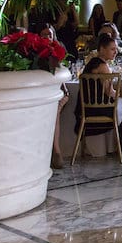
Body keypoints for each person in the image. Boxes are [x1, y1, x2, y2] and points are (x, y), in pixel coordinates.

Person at [39, 24, 70, 169]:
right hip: (42, 93)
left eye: (49, 35)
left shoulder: (57, 50)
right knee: (54, 110)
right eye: (44, 35)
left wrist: (65, 93)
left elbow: (60, 74)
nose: (47, 37)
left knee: (55, 109)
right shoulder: (35, 52)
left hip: (55, 92)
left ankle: (56, 150)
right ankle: (55, 151)